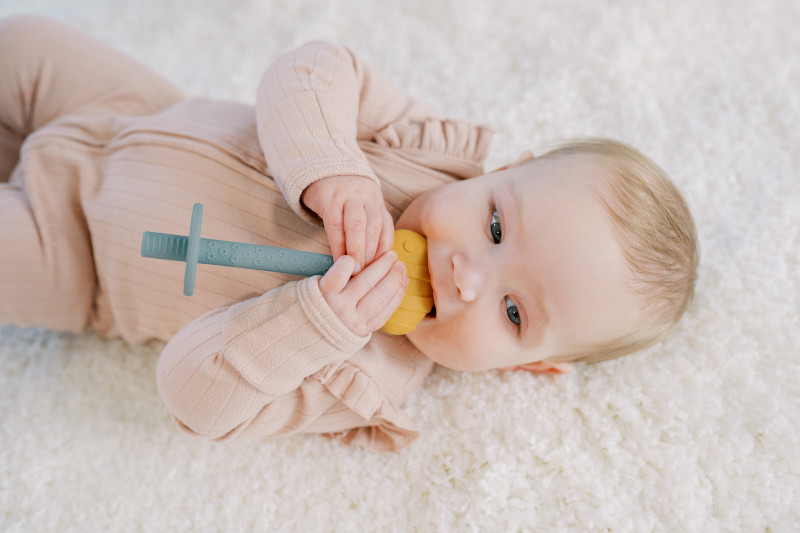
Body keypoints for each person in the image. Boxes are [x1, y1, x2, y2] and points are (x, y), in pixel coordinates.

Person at [0, 16, 697, 452]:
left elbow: (194, 399)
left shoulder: (363, 378)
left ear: (527, 365)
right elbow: (312, 66)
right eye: (493, 224)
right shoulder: (427, 152)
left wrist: (310, 325)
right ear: (505, 169)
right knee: (20, 43)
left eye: (512, 312)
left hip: (76, 259)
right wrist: (332, 166)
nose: (465, 274)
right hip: (133, 110)